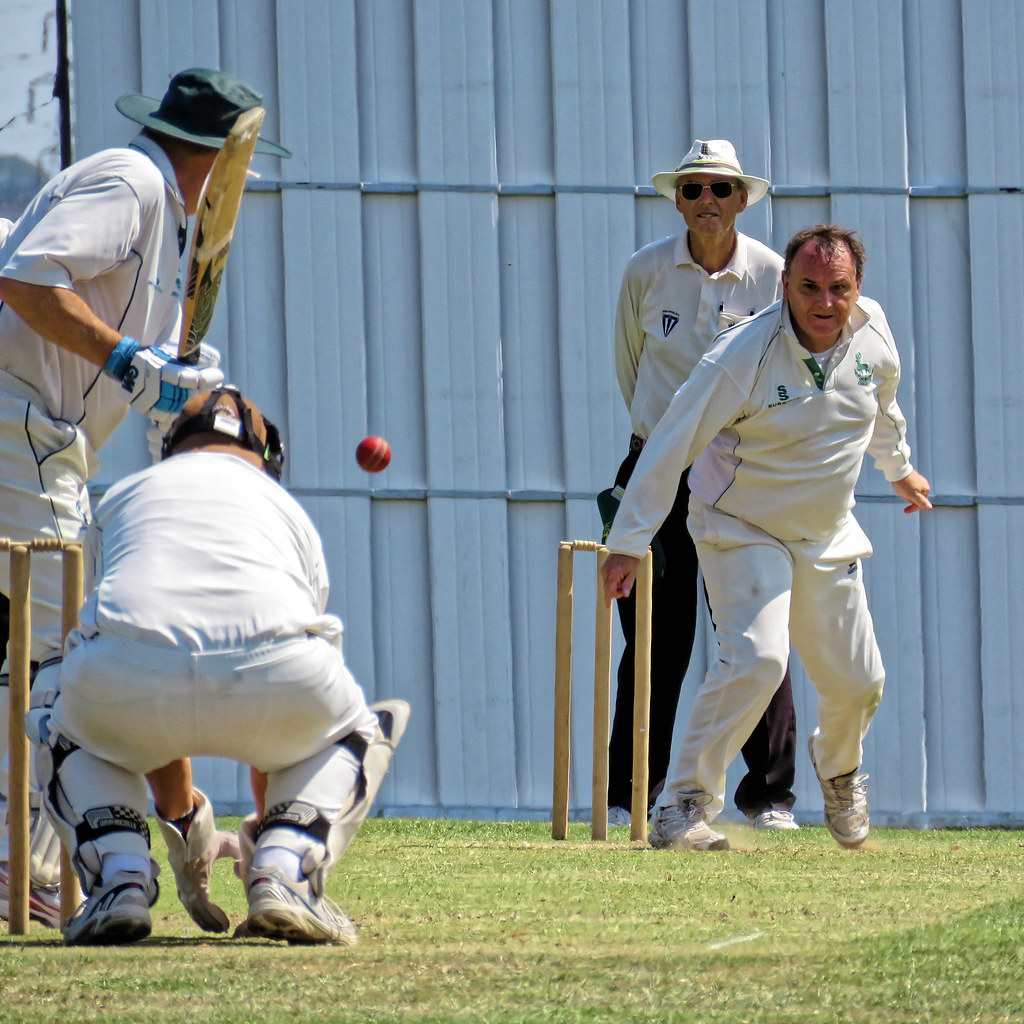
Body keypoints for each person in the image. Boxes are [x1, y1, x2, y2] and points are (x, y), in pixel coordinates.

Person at [0, 67, 290, 930]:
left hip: (48, 444)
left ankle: (46, 854)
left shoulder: (164, 222)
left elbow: (145, 362)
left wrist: (178, 378)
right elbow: (23, 280)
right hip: (20, 427)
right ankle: (38, 869)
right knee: (64, 660)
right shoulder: (129, 183)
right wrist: (129, 358)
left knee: (37, 657)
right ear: (213, 155)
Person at [30, 387, 410, 945]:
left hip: (124, 686)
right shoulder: (289, 513)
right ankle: (287, 869)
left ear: (171, 449)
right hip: (282, 685)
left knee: (56, 696)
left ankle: (119, 878)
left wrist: (187, 834)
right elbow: (276, 665)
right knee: (368, 723)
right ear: (268, 457)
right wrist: (269, 828)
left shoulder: (121, 498)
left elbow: (147, 653)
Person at [602, 224, 932, 852]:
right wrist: (630, 540)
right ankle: (683, 806)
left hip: (825, 530)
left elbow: (881, 405)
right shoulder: (741, 354)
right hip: (739, 525)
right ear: (784, 285)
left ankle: (838, 773)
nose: (824, 303)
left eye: (839, 288)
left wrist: (899, 467)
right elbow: (670, 444)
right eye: (809, 287)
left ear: (857, 288)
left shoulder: (874, 332)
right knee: (757, 660)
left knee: (859, 682)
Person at [604, 140, 798, 829]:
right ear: (676, 199)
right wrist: (665, 449)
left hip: (740, 473)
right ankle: (632, 793)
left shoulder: (773, 276)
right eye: (693, 190)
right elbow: (632, 370)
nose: (707, 202)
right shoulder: (647, 271)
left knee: (749, 630)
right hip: (657, 466)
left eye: (720, 188)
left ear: (742, 198)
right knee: (655, 637)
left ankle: (769, 796)